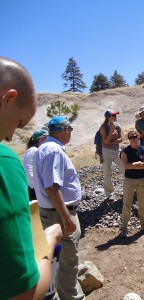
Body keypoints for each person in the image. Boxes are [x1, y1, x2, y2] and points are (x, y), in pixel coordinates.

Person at [0, 56, 62, 299]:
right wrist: (48, 243)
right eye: (18, 122)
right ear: (8, 98)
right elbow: (25, 292)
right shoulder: (5, 163)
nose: (9, 136)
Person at [33, 116, 86, 299]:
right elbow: (52, 187)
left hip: (54, 212)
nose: (70, 133)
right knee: (68, 262)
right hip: (59, 214)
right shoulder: (53, 150)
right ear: (64, 130)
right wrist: (66, 217)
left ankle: (61, 293)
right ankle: (70, 297)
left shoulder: (45, 148)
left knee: (59, 260)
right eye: (70, 130)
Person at [119, 130, 144, 237]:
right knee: (127, 204)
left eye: (134, 137)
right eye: (130, 137)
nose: (132, 139)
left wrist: (132, 165)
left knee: (142, 204)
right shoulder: (125, 151)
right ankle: (123, 228)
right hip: (129, 181)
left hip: (141, 180)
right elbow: (125, 165)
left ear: (138, 137)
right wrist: (137, 164)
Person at [100, 109, 123, 199]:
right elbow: (105, 141)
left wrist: (111, 141)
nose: (115, 117)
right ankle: (109, 193)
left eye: (115, 115)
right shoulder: (103, 127)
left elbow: (121, 139)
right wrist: (111, 131)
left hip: (116, 151)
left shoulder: (117, 126)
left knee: (125, 168)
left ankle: (129, 188)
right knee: (107, 172)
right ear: (108, 117)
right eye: (113, 116)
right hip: (106, 151)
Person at [23, 128, 49, 200]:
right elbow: (28, 172)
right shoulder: (33, 150)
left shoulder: (38, 151)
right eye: (47, 139)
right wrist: (40, 187)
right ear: (41, 139)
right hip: (35, 190)